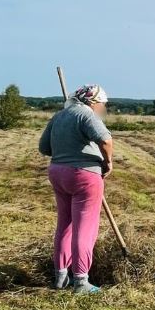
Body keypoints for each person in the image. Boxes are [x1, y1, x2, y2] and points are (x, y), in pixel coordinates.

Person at [38, 84, 113, 294]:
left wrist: (65, 146)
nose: (102, 109)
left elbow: (44, 147)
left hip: (58, 173)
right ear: (93, 101)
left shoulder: (60, 115)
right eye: (102, 105)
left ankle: (61, 277)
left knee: (65, 225)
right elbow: (106, 141)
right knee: (85, 228)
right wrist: (108, 163)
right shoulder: (86, 115)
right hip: (84, 176)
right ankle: (81, 281)